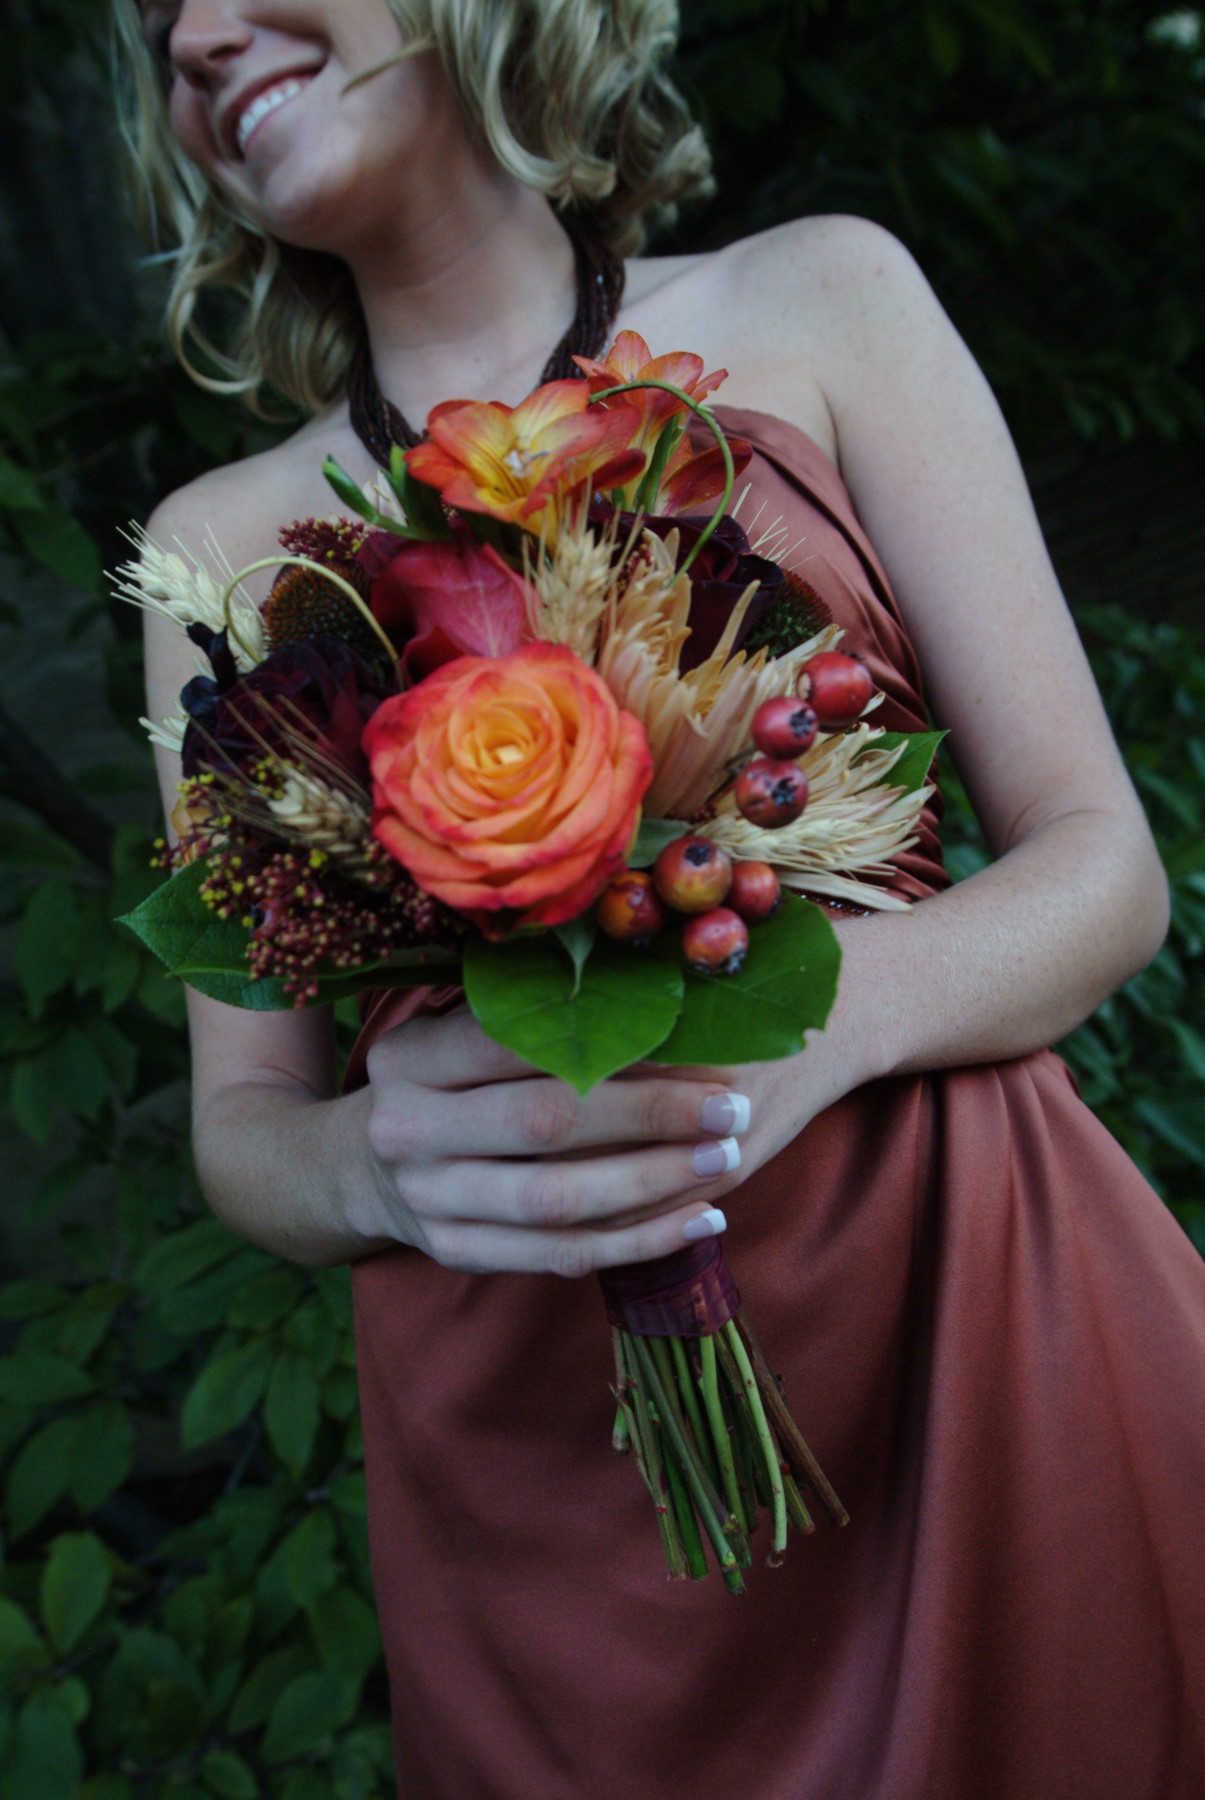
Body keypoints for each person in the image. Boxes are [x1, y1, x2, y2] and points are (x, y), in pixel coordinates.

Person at [121, 3, 1205, 1796]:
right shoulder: (212, 553)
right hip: (543, 1504)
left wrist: (790, 1035)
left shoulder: (821, 301)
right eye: (153, 20)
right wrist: (372, 1162)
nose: (202, 32)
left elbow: (1105, 871)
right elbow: (247, 1128)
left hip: (975, 1349)